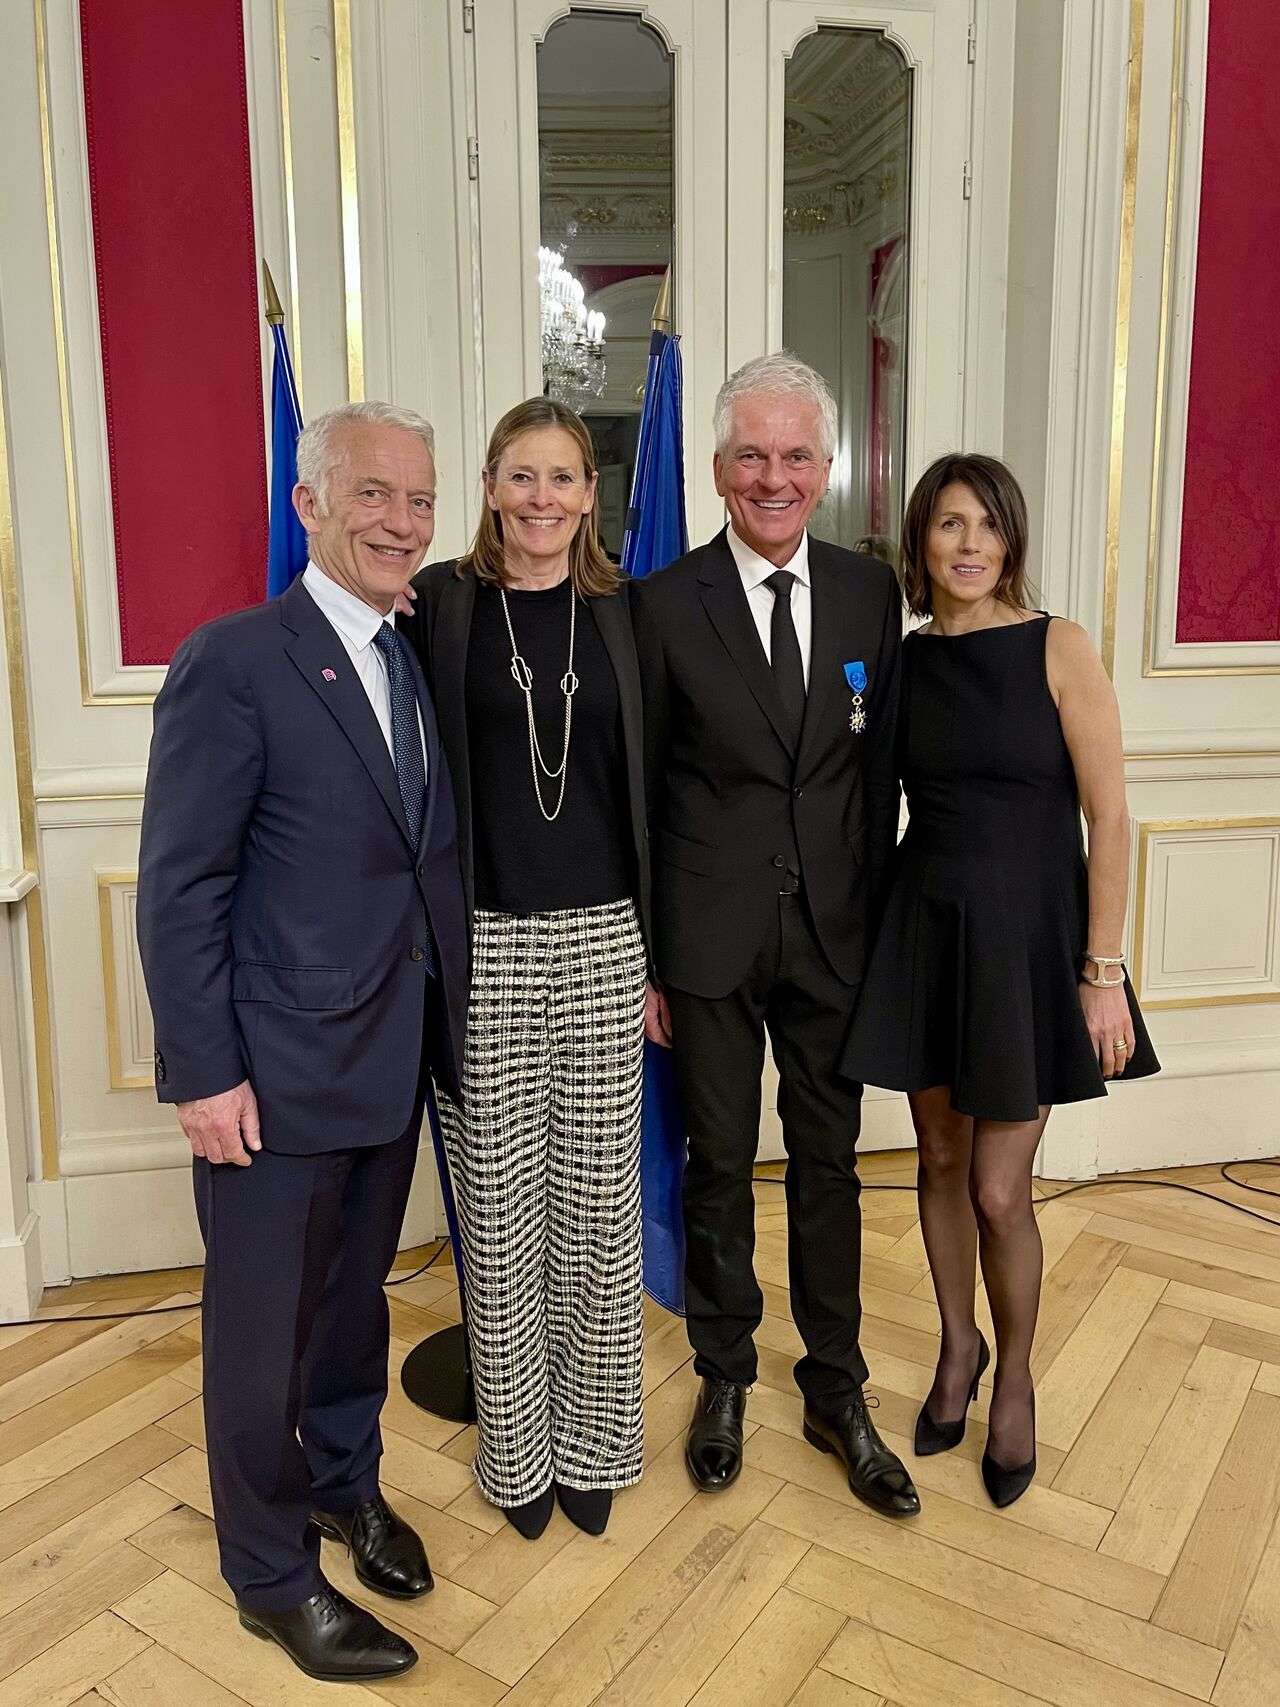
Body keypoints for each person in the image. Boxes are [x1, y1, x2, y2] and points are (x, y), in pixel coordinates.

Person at [137, 401, 469, 1683]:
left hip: (391, 1053)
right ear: (310, 505)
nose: (402, 521)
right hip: (270, 1077)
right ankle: (269, 1577)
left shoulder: (410, 650)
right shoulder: (235, 659)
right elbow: (181, 886)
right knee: (261, 1329)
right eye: (374, 495)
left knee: (350, 1315)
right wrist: (203, 1071)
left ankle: (346, 1487)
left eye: (420, 500)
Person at [631, 352, 920, 1519]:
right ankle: (724, 1376)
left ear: (826, 467)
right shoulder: (657, 604)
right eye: (750, 455)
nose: (773, 476)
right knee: (714, 1167)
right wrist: (650, 955)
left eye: (795, 455)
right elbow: (639, 800)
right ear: (714, 471)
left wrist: (886, 933)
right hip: (704, 941)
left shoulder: (867, 594)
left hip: (836, 940)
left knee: (828, 1168)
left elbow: (882, 773)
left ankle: (834, 1387)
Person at [841, 453, 1159, 1507]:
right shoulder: (903, 659)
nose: (966, 544)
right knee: (935, 1158)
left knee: (995, 1186)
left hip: (1027, 945)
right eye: (945, 525)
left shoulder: (1056, 646)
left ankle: (1013, 1376)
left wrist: (1100, 973)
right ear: (918, 545)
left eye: (983, 524)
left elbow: (1107, 816)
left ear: (1009, 539)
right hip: (926, 933)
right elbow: (869, 803)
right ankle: (954, 1349)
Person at [403, 397, 650, 1541]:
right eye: (520, 477)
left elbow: (662, 792)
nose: (542, 499)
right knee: (498, 1213)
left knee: (598, 1208)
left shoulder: (626, 616)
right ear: (490, 487)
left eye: (562, 478)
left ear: (590, 495)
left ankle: (596, 1440)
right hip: (481, 944)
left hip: (605, 939)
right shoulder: (439, 610)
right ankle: (517, 1456)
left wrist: (660, 960)